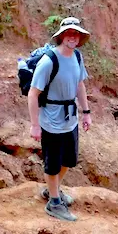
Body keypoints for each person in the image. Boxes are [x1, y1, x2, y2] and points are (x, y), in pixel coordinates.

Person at [28, 17, 93, 222]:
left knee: (69, 160)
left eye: (76, 34)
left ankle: (51, 189)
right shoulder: (49, 61)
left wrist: (86, 112)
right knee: (53, 164)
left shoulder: (77, 57)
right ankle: (54, 202)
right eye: (69, 33)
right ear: (62, 36)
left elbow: (80, 85)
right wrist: (35, 125)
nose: (73, 37)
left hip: (70, 118)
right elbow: (33, 93)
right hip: (51, 120)